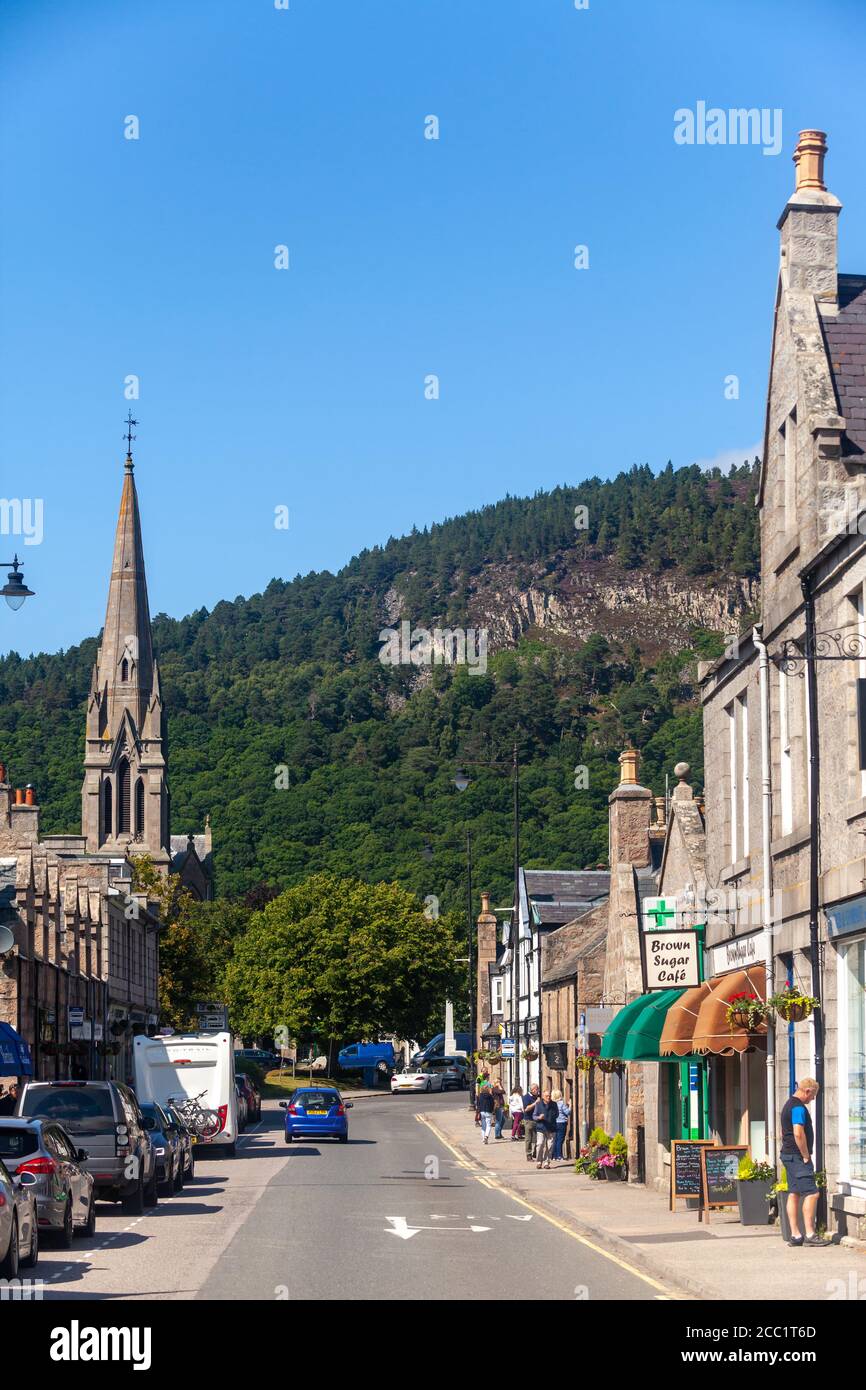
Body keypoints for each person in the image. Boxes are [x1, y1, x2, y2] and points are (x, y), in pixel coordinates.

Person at [780, 1077, 828, 1247]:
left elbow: (783, 1132)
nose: (813, 1099)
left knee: (794, 1193)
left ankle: (795, 1235)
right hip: (797, 1157)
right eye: (813, 1095)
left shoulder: (788, 1104)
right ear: (807, 1091)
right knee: (812, 1193)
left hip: (787, 1155)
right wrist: (806, 1155)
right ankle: (810, 1233)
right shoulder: (798, 1108)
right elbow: (798, 1133)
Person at [533, 1089, 558, 1169]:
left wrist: (551, 1117)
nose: (549, 1097)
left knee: (550, 1146)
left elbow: (557, 1114)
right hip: (541, 1127)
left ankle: (546, 1162)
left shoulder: (554, 1104)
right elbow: (534, 1116)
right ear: (543, 1097)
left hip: (551, 1128)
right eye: (547, 1096)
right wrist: (539, 1117)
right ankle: (539, 1161)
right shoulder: (538, 1104)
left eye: (550, 1096)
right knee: (540, 1144)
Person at [551, 1088, 571, 1161]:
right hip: (562, 1123)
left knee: (555, 1140)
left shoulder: (552, 1104)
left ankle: (553, 1156)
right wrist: (570, 1105)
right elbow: (568, 1112)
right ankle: (559, 1156)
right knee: (560, 1140)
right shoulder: (561, 1103)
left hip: (554, 1123)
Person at [522, 1083, 539, 1161]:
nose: (538, 1091)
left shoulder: (537, 1097)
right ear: (532, 1090)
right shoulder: (526, 1097)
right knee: (528, 1138)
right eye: (537, 1089)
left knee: (538, 1138)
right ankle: (529, 1155)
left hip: (537, 1120)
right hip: (528, 1120)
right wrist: (535, 1103)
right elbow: (526, 1109)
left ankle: (536, 1152)